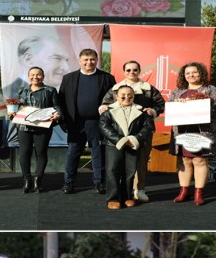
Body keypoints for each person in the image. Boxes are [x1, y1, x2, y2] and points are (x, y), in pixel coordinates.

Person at [100, 60, 165, 203]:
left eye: (135, 70)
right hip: (118, 132)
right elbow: (105, 105)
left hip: (140, 131)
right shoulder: (115, 88)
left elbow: (160, 104)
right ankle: (116, 196)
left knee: (139, 163)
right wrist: (104, 108)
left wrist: (153, 111)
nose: (132, 72)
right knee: (115, 167)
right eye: (128, 70)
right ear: (124, 72)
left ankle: (139, 190)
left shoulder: (149, 88)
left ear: (139, 71)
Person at [57, 48, 117, 195]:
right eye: (86, 59)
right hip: (75, 123)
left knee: (98, 153)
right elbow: (61, 101)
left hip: (97, 123)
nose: (89, 62)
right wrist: (64, 122)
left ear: (97, 60)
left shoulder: (107, 78)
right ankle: (68, 183)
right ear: (80, 61)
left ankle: (99, 183)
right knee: (73, 153)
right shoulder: (68, 78)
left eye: (92, 59)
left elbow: (115, 100)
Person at [167, 62, 216, 206]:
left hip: (202, 131)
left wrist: (206, 103)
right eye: (187, 73)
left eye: (194, 72)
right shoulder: (177, 91)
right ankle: (183, 192)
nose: (191, 75)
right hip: (181, 131)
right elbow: (171, 108)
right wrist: (178, 104)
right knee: (184, 161)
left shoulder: (210, 89)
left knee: (199, 160)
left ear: (201, 73)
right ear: (183, 76)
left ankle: (199, 193)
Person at [98, 85, 155, 210]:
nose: (126, 97)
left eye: (130, 95)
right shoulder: (108, 111)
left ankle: (127, 197)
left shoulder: (141, 111)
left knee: (129, 172)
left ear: (134, 96)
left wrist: (134, 139)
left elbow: (147, 127)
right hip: (114, 145)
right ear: (116, 96)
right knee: (112, 171)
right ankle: (112, 198)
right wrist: (120, 140)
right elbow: (104, 127)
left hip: (133, 145)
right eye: (123, 95)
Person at [11, 66, 62, 193]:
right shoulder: (22, 91)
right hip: (23, 127)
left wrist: (58, 115)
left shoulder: (50, 90)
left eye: (38, 74)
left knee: (41, 153)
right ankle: (27, 180)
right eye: (32, 74)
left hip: (42, 127)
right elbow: (16, 108)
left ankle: (38, 180)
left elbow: (57, 106)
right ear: (28, 76)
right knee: (24, 153)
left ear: (43, 77)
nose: (35, 77)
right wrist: (12, 113)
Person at [2, 35, 72, 100]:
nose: (66, 68)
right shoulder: (7, 96)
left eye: (67, 60)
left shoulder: (56, 93)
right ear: (28, 60)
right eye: (57, 58)